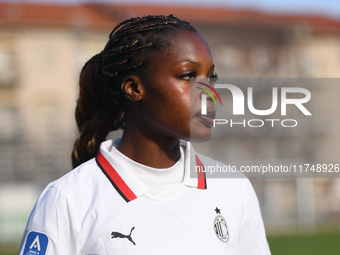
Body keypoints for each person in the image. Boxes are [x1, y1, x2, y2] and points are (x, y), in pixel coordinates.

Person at [19, 14, 271, 255]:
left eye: (210, 77)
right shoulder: (67, 200)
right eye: (188, 76)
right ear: (134, 88)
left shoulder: (233, 188)